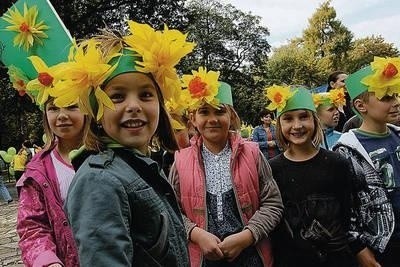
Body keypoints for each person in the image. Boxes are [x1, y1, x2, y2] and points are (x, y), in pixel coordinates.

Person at [58, 21, 195, 266]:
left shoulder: (141, 167)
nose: (134, 106)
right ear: (96, 111)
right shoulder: (98, 181)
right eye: (118, 96)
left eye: (145, 94)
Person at [169, 67, 283, 267]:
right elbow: (171, 211)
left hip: (251, 256)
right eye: (204, 112)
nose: (213, 119)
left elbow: (273, 203)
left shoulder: (252, 154)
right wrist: (196, 234)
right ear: (193, 119)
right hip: (201, 258)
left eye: (220, 111)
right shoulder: (180, 161)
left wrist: (247, 236)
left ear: (231, 116)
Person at [265, 86, 357, 266]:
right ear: (280, 124)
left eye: (304, 117)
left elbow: (347, 212)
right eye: (288, 119)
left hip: (336, 259)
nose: (297, 126)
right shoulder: (272, 169)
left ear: (314, 120)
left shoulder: (337, 163)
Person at [334, 56, 400, 267]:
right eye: (386, 97)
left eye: (396, 94)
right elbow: (346, 206)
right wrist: (359, 248)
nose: (397, 102)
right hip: (383, 245)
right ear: (361, 105)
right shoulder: (347, 150)